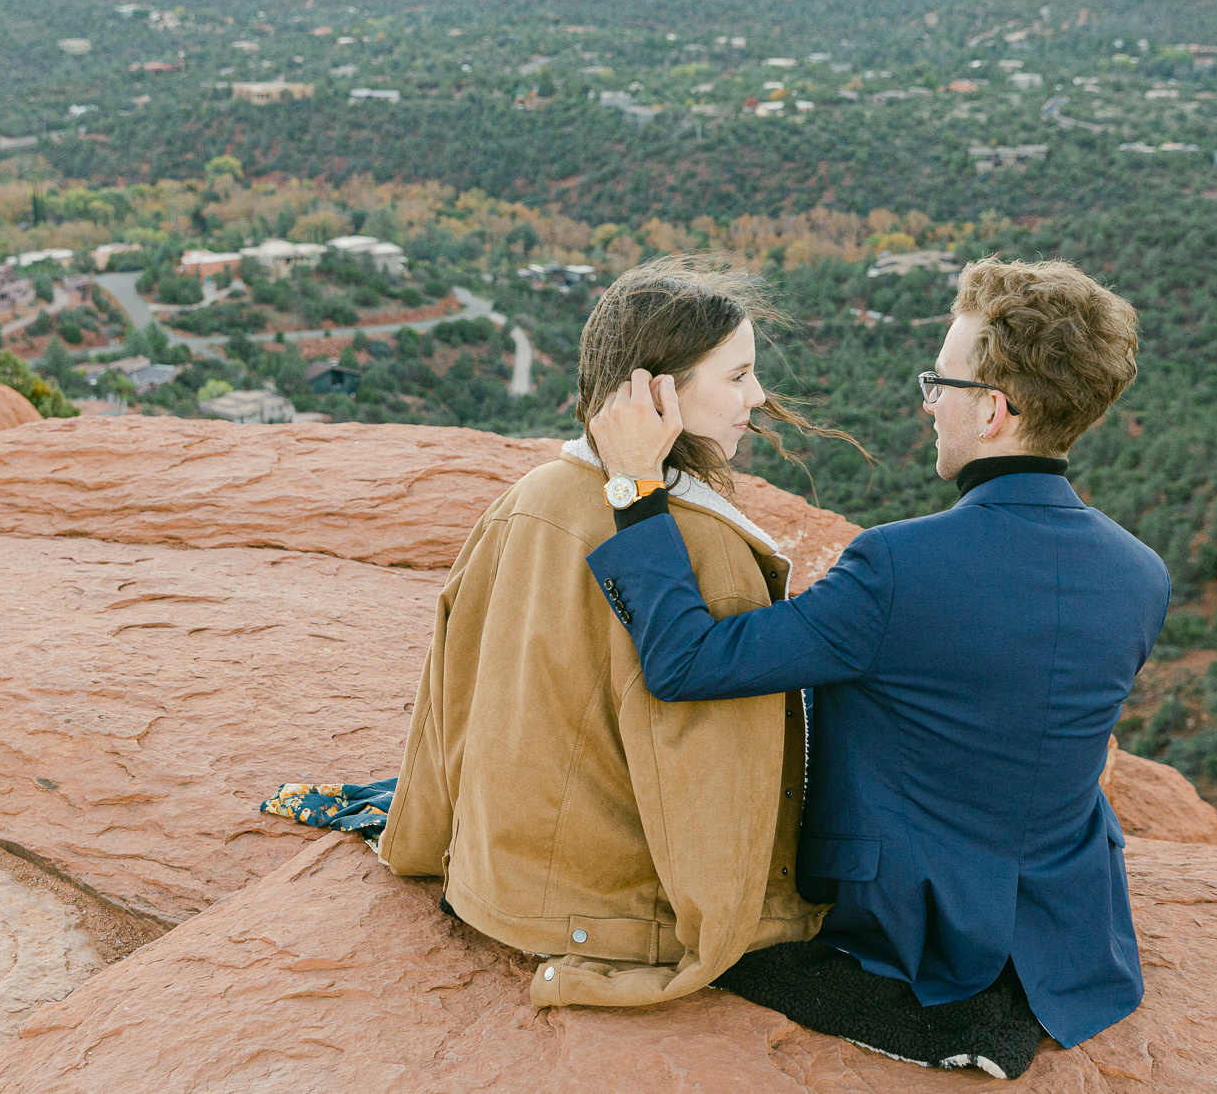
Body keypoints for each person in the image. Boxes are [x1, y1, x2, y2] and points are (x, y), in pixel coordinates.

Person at [586, 257, 1171, 1078]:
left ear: (995, 411)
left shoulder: (898, 566)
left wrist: (636, 490)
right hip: (1072, 927)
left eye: (942, 381)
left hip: (908, 919)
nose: (928, 399)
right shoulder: (1142, 573)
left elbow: (687, 660)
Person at [374, 257, 861, 1008]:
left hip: (493, 883)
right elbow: (704, 775)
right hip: (612, 914)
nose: (757, 397)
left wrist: (419, 839)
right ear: (654, 391)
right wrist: (748, 922)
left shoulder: (528, 497)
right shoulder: (708, 553)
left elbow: (449, 689)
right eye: (736, 376)